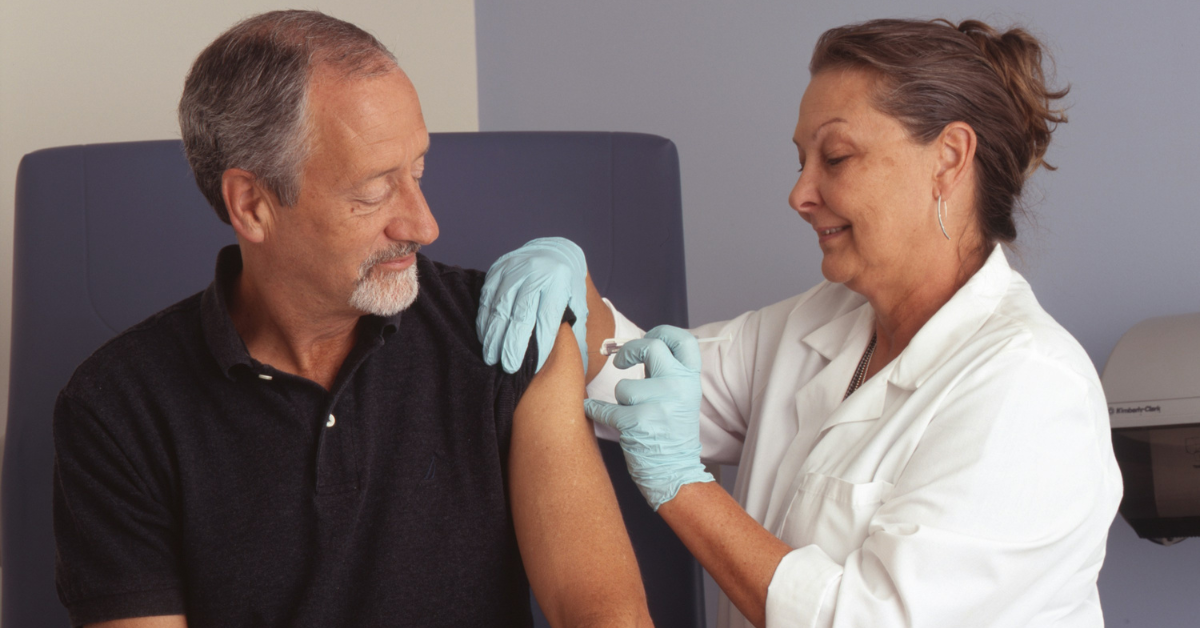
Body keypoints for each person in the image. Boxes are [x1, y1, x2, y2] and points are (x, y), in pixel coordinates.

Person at [477, 18, 1123, 628]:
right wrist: (572, 287)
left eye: (835, 157)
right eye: (800, 160)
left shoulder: (1033, 390)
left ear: (949, 159)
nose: (799, 194)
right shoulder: (823, 321)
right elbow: (632, 379)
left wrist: (684, 487)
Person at [52, 10, 650, 628]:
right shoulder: (116, 407)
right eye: (372, 193)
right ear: (253, 205)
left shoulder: (507, 336)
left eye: (418, 171)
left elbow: (606, 615)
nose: (424, 225)